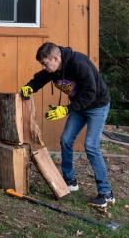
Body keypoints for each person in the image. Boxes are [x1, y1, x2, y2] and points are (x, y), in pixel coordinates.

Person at [20, 42, 115, 209]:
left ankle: (106, 193)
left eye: (46, 63)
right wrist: (30, 87)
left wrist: (65, 110)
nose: (45, 67)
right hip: (79, 107)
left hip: (97, 106)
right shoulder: (54, 68)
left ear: (56, 58)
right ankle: (70, 181)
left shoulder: (79, 63)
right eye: (42, 64)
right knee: (65, 140)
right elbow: (41, 78)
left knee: (91, 146)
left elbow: (90, 93)